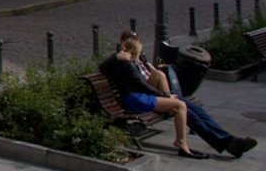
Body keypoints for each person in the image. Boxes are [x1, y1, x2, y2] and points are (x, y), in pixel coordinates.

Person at [100, 37, 257, 159]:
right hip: (140, 99)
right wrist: (166, 95)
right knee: (184, 108)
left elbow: (146, 81)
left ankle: (228, 141)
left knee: (194, 108)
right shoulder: (125, 64)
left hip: (146, 96)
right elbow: (137, 84)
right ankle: (225, 143)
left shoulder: (133, 62)